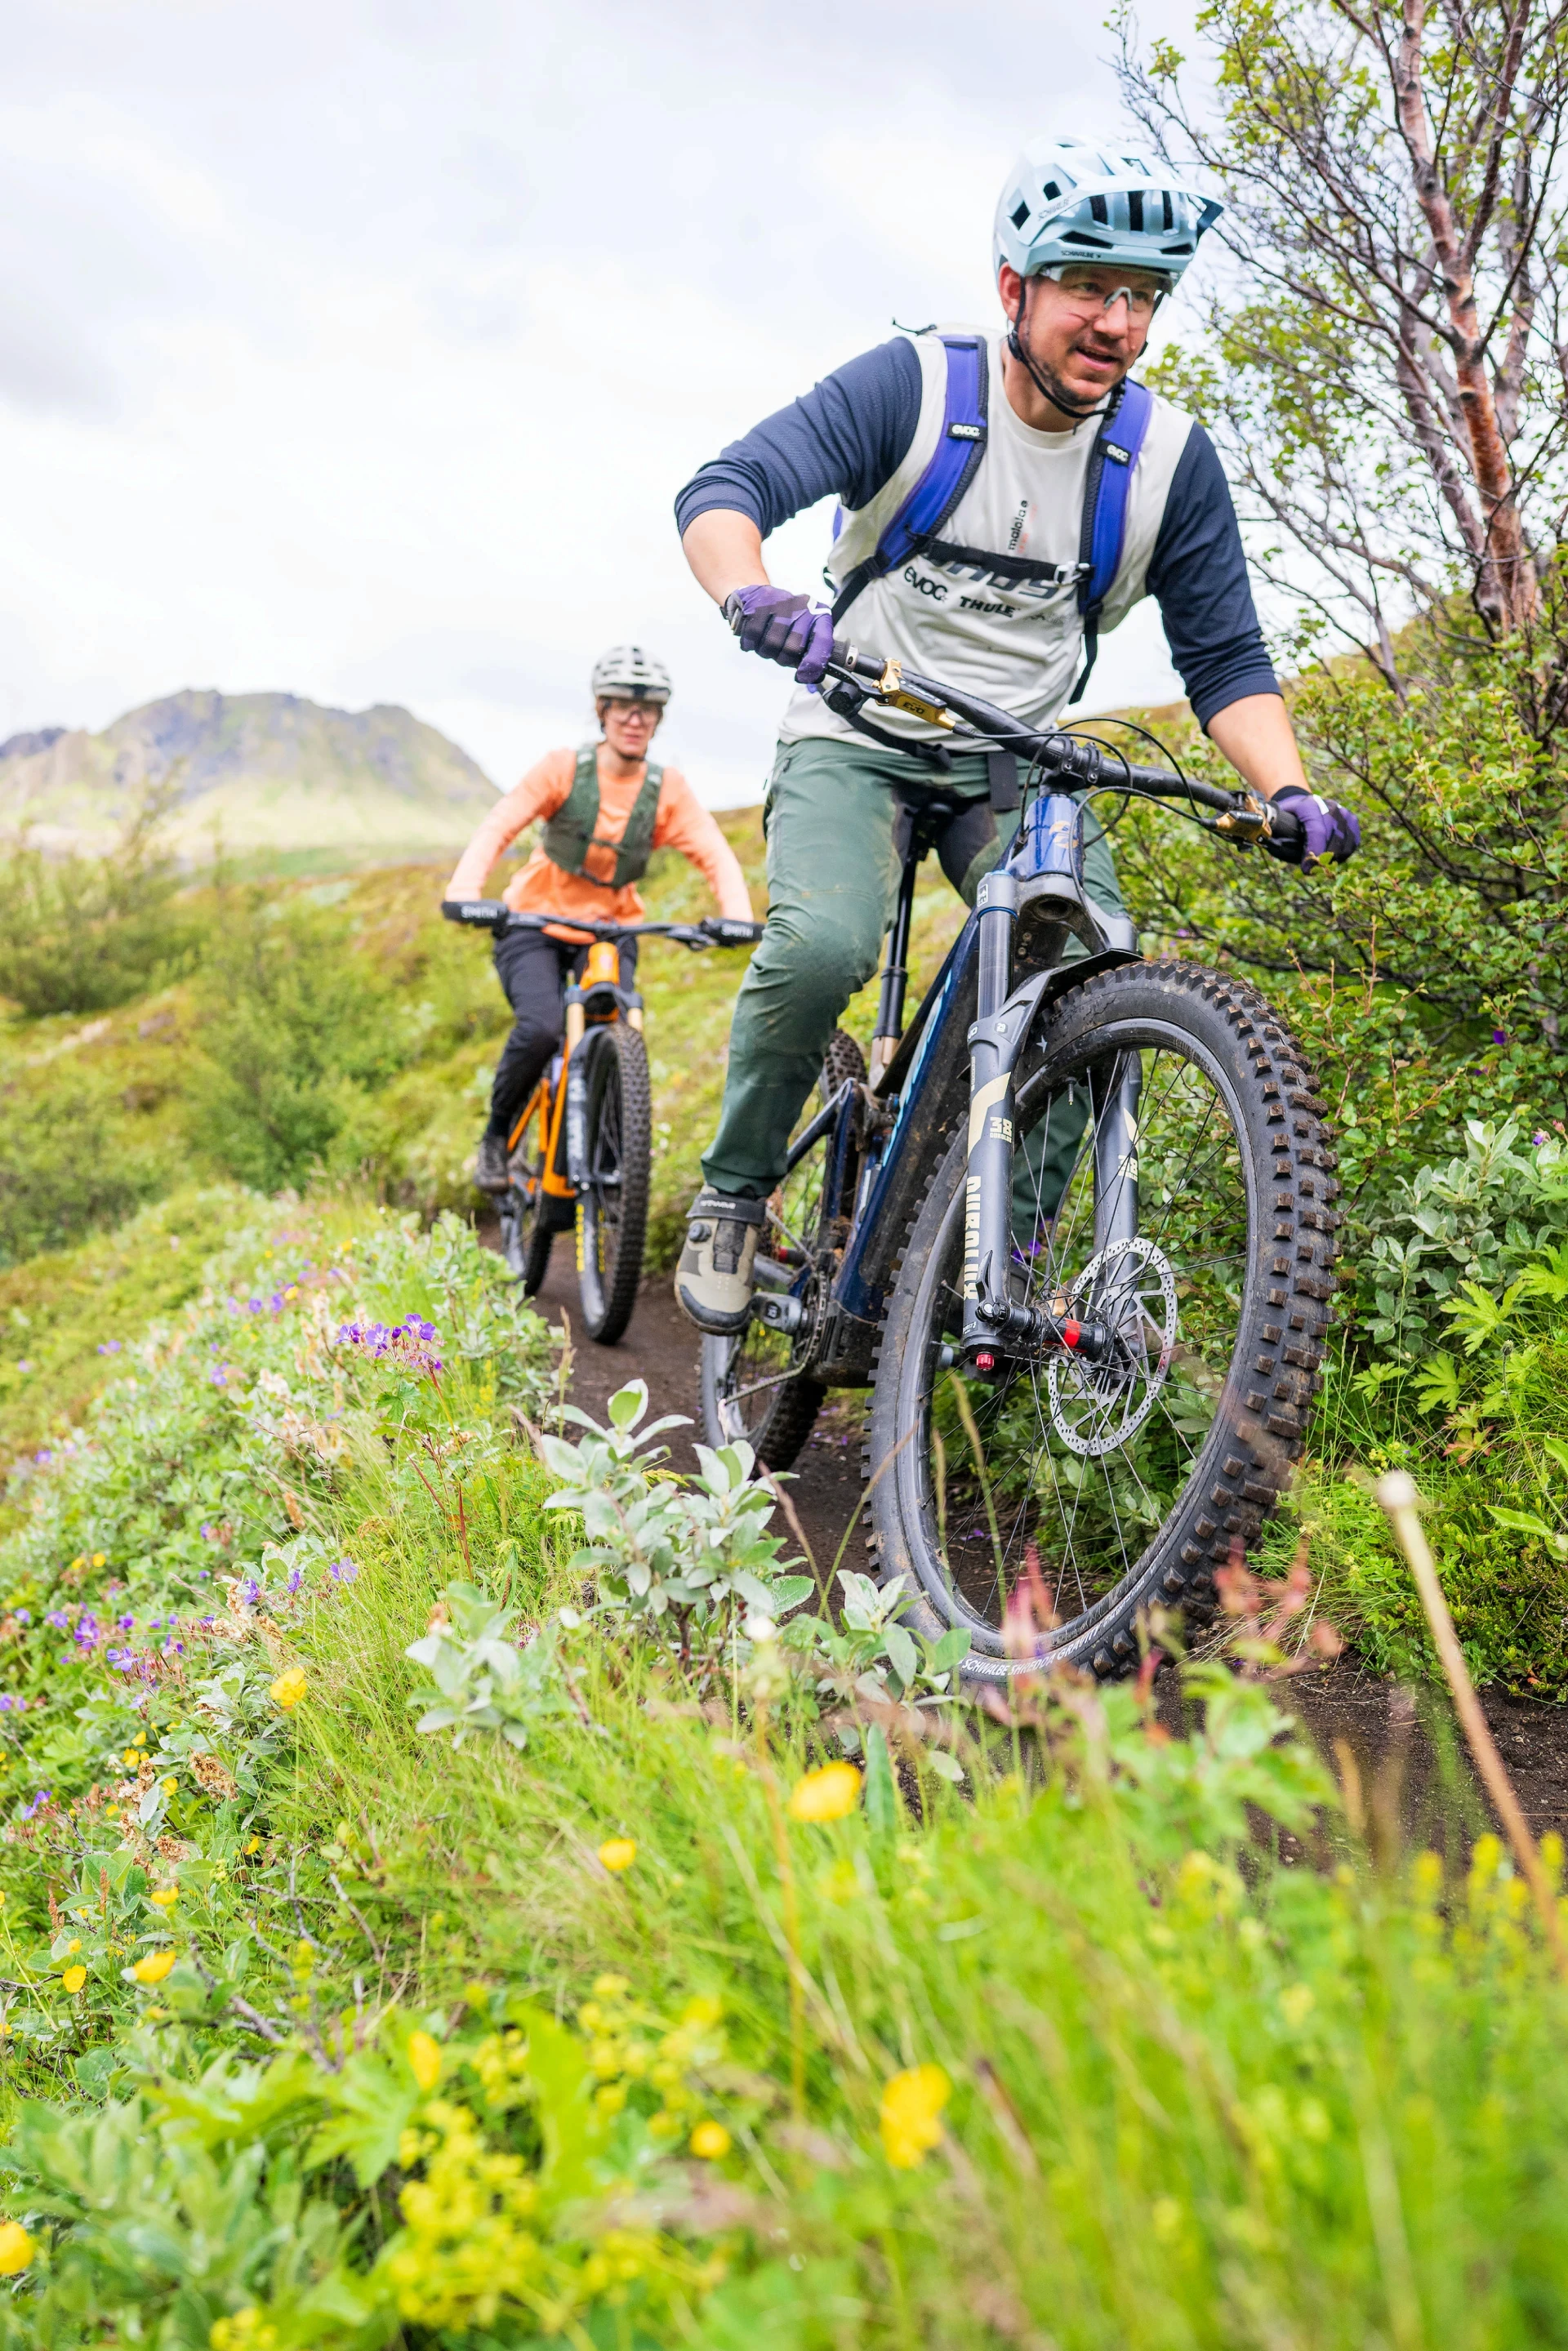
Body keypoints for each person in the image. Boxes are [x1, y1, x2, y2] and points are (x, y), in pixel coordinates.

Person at [670, 129, 1361, 1335]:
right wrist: (753, 594)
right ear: (1013, 288)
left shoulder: (1166, 463)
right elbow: (726, 490)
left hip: (1014, 759)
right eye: (1089, 287)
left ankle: (991, 1271)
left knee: (1089, 974)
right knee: (823, 945)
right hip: (856, 731)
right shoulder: (916, 390)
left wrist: (1288, 788)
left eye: (1141, 298)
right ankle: (733, 1195)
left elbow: (1227, 659)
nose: (1117, 323)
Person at [446, 645, 755, 1194]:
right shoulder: (563, 769)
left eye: (648, 708)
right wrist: (466, 892)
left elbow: (714, 852)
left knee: (618, 1031)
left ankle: (611, 1160)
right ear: (601, 711)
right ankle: (497, 1137)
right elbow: (500, 824)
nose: (635, 719)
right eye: (623, 706)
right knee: (542, 1028)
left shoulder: (667, 790)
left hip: (612, 930)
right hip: (533, 925)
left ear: (659, 717)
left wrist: (737, 916)